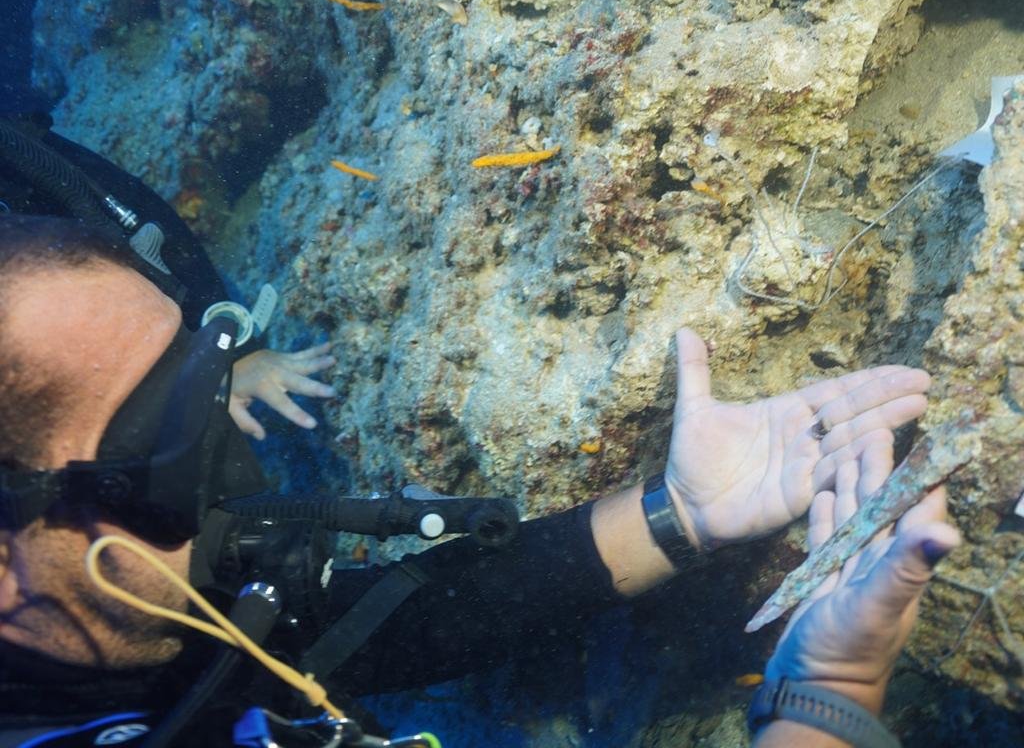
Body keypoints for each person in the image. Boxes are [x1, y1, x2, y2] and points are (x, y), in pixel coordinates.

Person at [0, 213, 949, 747]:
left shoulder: (113, 624)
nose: (232, 476)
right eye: (163, 443)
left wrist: (680, 514)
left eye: (213, 388)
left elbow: (374, 637)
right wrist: (830, 688)